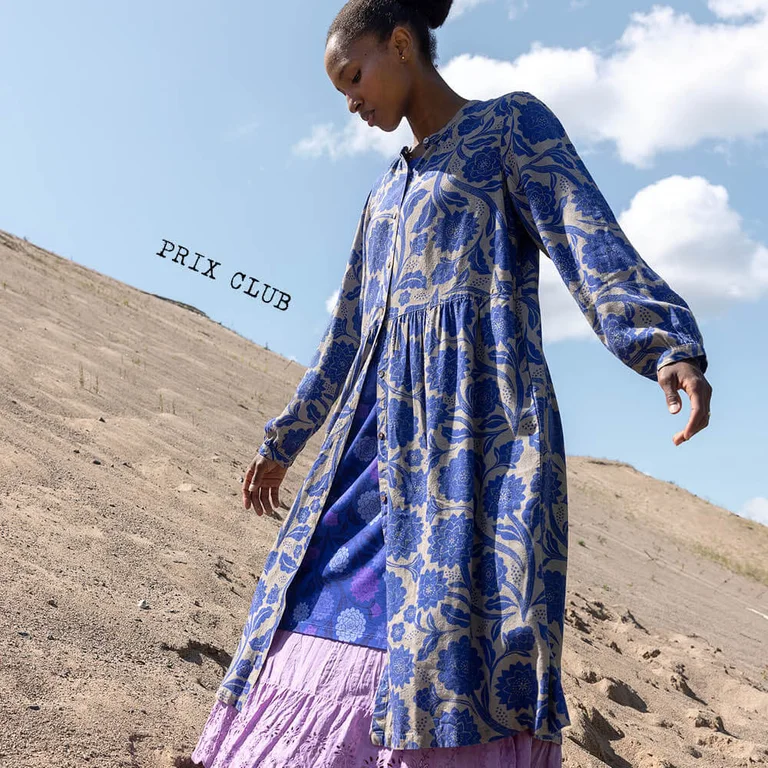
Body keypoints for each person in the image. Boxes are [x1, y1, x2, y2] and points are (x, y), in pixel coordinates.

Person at [178, 0, 712, 765]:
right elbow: (344, 338)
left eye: (354, 77)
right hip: (368, 457)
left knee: (465, 643)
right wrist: (284, 440)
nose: (353, 101)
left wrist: (666, 346)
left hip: (477, 444)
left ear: (401, 45)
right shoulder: (383, 196)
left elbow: (583, 231)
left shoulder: (509, 129)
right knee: (311, 608)